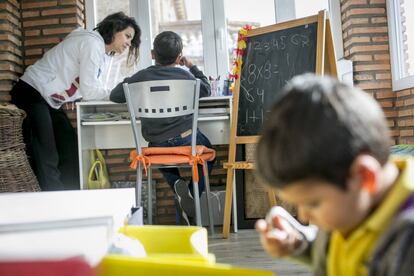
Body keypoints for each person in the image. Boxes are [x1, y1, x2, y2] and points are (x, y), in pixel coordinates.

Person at [255, 74, 414, 276]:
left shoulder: (408, 244)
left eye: (312, 203)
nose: (303, 215)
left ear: (365, 177)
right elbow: (345, 255)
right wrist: (297, 243)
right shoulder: (350, 205)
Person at [10, 12, 141, 191]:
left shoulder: (99, 50)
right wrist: (116, 94)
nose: (128, 43)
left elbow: (86, 85)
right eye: (127, 36)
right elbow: (90, 91)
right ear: (114, 29)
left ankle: (67, 197)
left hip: (49, 100)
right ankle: (54, 204)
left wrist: (77, 95)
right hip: (31, 91)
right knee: (47, 153)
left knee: (70, 148)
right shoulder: (92, 44)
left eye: (131, 40)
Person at [110, 31, 214, 224]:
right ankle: (189, 194)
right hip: (186, 139)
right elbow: (207, 88)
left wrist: (131, 83)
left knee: (161, 156)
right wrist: (191, 66)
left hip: (156, 144)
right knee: (207, 154)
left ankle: (176, 183)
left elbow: (115, 95)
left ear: (152, 54)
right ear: (179, 57)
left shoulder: (141, 77)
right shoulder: (186, 78)